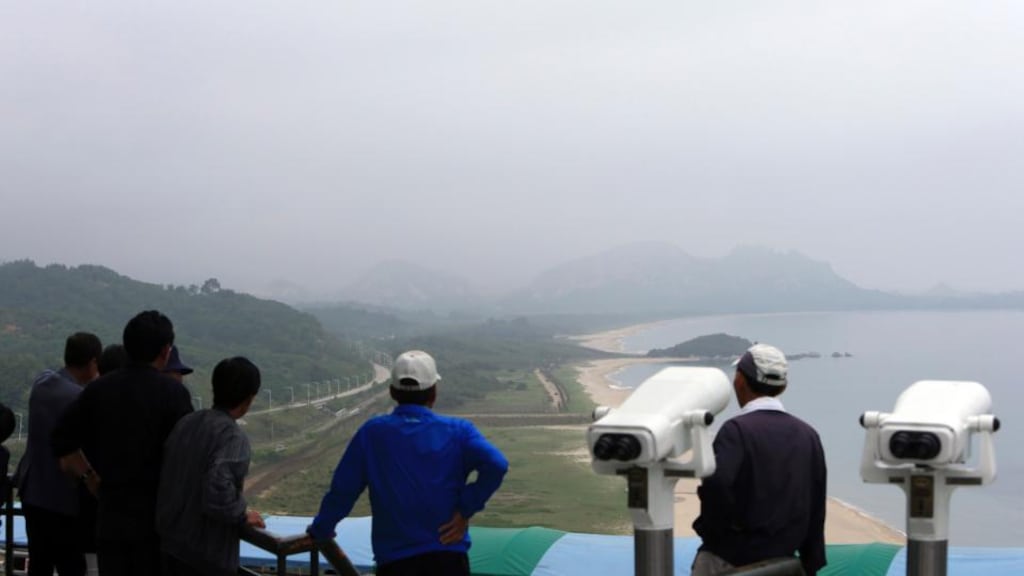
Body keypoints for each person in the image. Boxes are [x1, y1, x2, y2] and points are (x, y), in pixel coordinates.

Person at [307, 350, 509, 576]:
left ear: (393, 391)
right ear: (434, 392)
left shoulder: (373, 433)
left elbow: (343, 491)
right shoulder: (459, 431)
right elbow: (496, 464)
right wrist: (465, 509)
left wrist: (321, 529)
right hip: (449, 558)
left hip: (396, 562)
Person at [52, 311, 193, 576]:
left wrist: (90, 478)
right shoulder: (174, 394)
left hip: (110, 516)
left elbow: (62, 441)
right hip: (157, 521)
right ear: (165, 351)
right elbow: (187, 458)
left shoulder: (98, 390)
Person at [691, 344, 827, 576]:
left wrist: (711, 533)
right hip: (785, 561)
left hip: (731, 560)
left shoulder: (736, 431)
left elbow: (717, 485)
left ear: (740, 381)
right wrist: (810, 561)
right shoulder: (808, 434)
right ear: (783, 386)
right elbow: (816, 501)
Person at [156, 357, 265, 576]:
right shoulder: (233, 437)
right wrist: (242, 515)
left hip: (171, 546)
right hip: (205, 556)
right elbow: (218, 492)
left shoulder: (187, 422)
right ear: (249, 398)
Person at [15, 332, 102, 576]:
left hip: (32, 492)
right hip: (62, 499)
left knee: (40, 563)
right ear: (93, 362)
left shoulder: (42, 383)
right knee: (71, 566)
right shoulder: (80, 398)